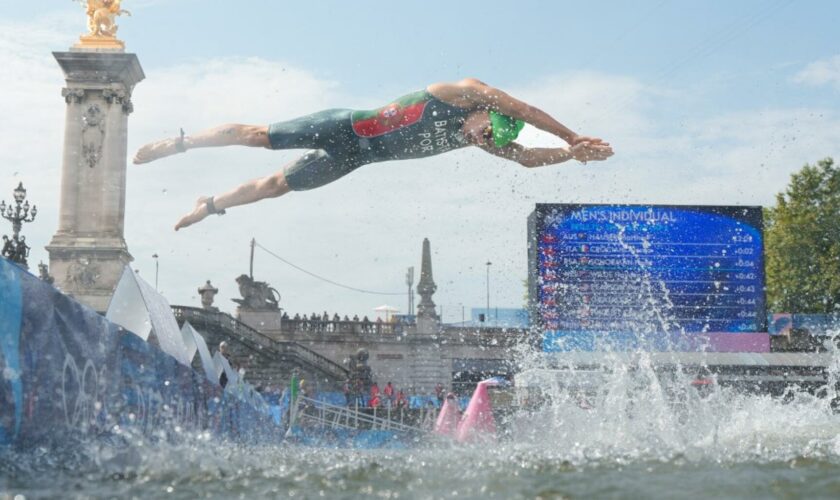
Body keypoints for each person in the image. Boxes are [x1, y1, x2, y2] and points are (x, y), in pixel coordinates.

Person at [133, 78, 614, 230]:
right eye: (485, 135)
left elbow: (527, 160)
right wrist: (573, 138)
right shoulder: (463, 91)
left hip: (354, 157)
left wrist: (568, 159)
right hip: (344, 124)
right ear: (486, 113)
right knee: (258, 135)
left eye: (488, 144)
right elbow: (526, 108)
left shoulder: (480, 137)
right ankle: (180, 143)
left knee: (277, 187)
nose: (481, 143)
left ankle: (209, 204)